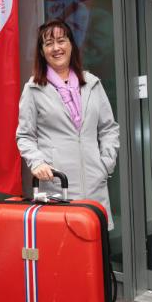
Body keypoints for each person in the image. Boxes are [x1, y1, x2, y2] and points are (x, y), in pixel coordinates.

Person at [16, 19, 119, 230]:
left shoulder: (92, 84)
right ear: (42, 51)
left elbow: (109, 128)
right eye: (48, 43)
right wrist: (37, 163)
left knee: (95, 251)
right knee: (63, 250)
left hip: (94, 185)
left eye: (61, 41)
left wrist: (106, 163)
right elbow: (25, 136)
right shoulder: (33, 89)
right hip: (57, 186)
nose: (56, 48)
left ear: (71, 45)